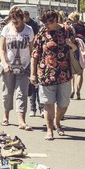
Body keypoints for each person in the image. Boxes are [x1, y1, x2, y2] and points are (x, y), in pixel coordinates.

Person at [31, 9, 77, 140]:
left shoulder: (67, 30)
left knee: (64, 104)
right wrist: (33, 73)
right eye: (44, 23)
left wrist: (71, 44)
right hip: (46, 74)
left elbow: (76, 48)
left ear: (56, 20)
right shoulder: (41, 32)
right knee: (48, 103)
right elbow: (35, 54)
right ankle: (49, 129)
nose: (46, 25)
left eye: (49, 22)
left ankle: (57, 121)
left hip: (64, 74)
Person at [0, 7, 34, 131]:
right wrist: (4, 64)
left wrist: (32, 68)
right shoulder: (6, 29)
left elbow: (32, 50)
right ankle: (6, 116)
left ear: (22, 18)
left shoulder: (29, 30)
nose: (14, 22)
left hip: (24, 67)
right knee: (7, 94)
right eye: (12, 19)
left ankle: (21, 121)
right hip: (8, 67)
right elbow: (2, 49)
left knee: (22, 94)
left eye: (16, 20)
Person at [68, 11, 85, 100]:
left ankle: (72, 89)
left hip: (72, 50)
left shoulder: (70, 27)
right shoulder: (83, 27)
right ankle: (78, 91)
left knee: (72, 72)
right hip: (82, 50)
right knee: (80, 72)